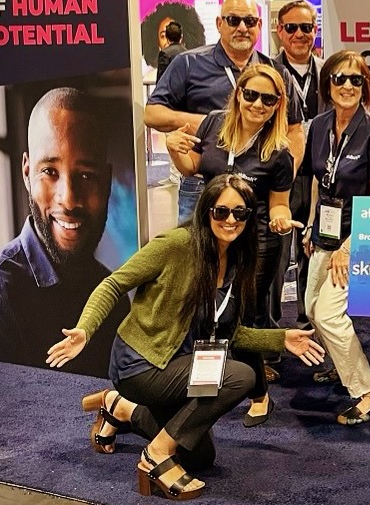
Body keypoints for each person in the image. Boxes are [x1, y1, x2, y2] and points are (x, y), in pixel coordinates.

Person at [46, 174, 324, 500]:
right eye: (221, 211)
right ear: (207, 210)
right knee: (241, 376)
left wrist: (280, 340)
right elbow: (114, 284)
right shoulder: (177, 245)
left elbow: (230, 333)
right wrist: (85, 329)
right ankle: (155, 456)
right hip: (140, 362)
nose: (230, 220)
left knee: (199, 457)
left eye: (240, 213)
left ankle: (120, 408)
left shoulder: (238, 261)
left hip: (180, 363)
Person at [166, 64, 297, 420]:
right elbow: (193, 168)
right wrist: (173, 148)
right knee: (205, 308)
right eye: (251, 94)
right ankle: (207, 379)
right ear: (238, 93)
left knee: (245, 317)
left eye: (267, 99)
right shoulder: (212, 125)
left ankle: (259, 393)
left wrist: (281, 219)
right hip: (211, 236)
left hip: (256, 243)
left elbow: (279, 203)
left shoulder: (279, 153)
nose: (257, 104)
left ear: (277, 105)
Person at [0, 88, 128, 377]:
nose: (69, 199)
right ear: (27, 173)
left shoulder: (113, 296)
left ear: (107, 181)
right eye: (49, 171)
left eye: (86, 175)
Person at [145, 0, 305, 223]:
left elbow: (295, 129)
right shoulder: (188, 63)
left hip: (256, 187)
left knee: (253, 256)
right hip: (202, 180)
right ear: (220, 24)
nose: (242, 28)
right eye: (233, 20)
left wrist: (287, 172)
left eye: (249, 21)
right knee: (199, 255)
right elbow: (152, 113)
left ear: (259, 26)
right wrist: (210, 123)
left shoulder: (276, 72)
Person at [302, 50, 370, 421]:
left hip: (359, 237)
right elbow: (318, 181)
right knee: (311, 306)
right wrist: (312, 223)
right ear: (328, 83)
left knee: (327, 313)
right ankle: (342, 365)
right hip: (325, 232)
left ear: (365, 87)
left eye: (355, 80)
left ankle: (369, 392)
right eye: (339, 78)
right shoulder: (319, 125)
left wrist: (348, 247)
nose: (347, 85)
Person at [272, 0, 327, 331]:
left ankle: (311, 320)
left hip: (321, 175)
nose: (299, 34)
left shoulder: (329, 71)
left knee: (316, 246)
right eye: (291, 28)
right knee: (277, 254)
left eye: (306, 28)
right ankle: (273, 329)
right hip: (281, 176)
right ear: (280, 31)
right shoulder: (267, 71)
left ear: (314, 31)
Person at [140, 0, 206, 70]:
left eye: (174, 33)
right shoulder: (149, 76)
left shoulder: (195, 69)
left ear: (183, 37)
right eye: (163, 36)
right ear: (157, 42)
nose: (169, 40)